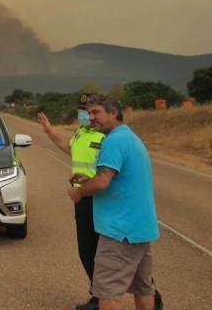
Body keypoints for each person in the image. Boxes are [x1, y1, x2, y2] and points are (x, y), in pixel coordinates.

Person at [68, 95, 161, 310]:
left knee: (108, 291)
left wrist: (80, 192)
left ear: (113, 113)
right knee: (143, 287)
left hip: (120, 231)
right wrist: (88, 179)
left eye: (96, 112)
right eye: (89, 113)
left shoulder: (113, 141)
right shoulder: (130, 137)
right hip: (139, 227)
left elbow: (102, 182)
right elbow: (116, 179)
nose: (91, 117)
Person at [37, 95, 106, 310]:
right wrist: (50, 132)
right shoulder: (81, 133)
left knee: (114, 251)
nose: (86, 115)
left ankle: (149, 293)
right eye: (82, 111)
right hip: (83, 199)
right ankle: (99, 296)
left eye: (90, 111)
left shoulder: (106, 137)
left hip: (102, 198)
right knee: (87, 250)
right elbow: (69, 147)